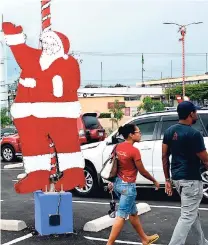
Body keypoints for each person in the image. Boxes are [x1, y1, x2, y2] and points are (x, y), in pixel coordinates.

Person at [162, 101, 208, 245]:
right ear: (191, 114)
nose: (196, 115)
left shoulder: (169, 131)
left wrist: (167, 180)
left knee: (192, 214)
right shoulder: (194, 134)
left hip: (177, 179)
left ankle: (202, 242)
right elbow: (205, 160)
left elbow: (164, 156)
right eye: (195, 112)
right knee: (188, 215)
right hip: (191, 180)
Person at [107, 124, 160, 245]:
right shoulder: (134, 151)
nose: (140, 134)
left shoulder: (117, 147)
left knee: (133, 213)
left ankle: (144, 239)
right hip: (128, 187)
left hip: (117, 184)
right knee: (121, 216)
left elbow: (112, 166)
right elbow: (142, 170)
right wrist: (154, 180)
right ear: (131, 135)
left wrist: (111, 182)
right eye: (138, 132)